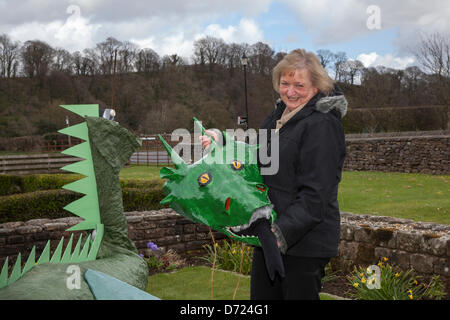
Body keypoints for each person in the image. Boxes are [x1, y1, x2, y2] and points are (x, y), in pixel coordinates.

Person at [200, 49, 347, 300]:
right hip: (269, 233)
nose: (290, 91)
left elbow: (316, 196)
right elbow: (258, 155)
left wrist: (279, 233)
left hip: (303, 244)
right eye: (285, 83)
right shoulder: (279, 114)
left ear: (315, 87)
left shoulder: (322, 125)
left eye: (299, 85)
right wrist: (223, 142)